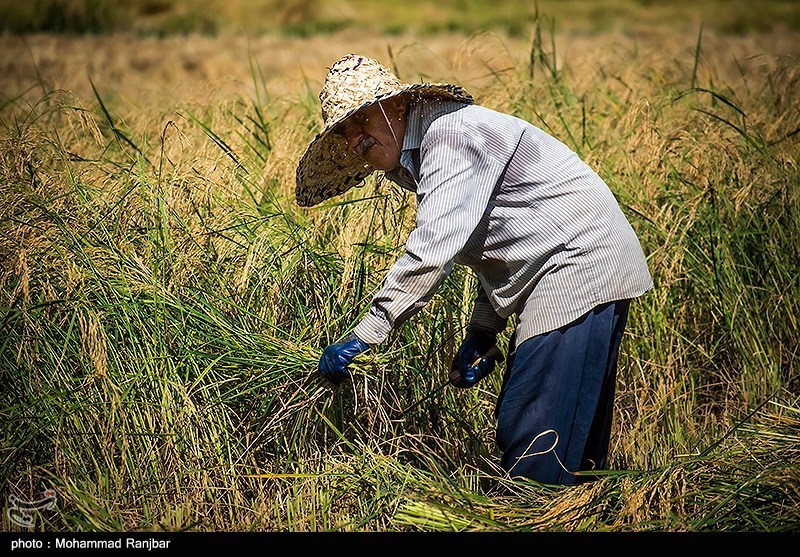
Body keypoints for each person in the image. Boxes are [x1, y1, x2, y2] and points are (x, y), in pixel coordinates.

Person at [295, 53, 653, 486]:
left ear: (399, 106)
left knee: (534, 433)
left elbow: (432, 250)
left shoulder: (450, 135)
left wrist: (365, 334)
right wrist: (483, 330)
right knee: (572, 443)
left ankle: (535, 513)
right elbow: (500, 241)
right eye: (345, 131)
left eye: (360, 119)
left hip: (579, 263)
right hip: (574, 264)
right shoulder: (423, 151)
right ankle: (582, 510)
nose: (355, 138)